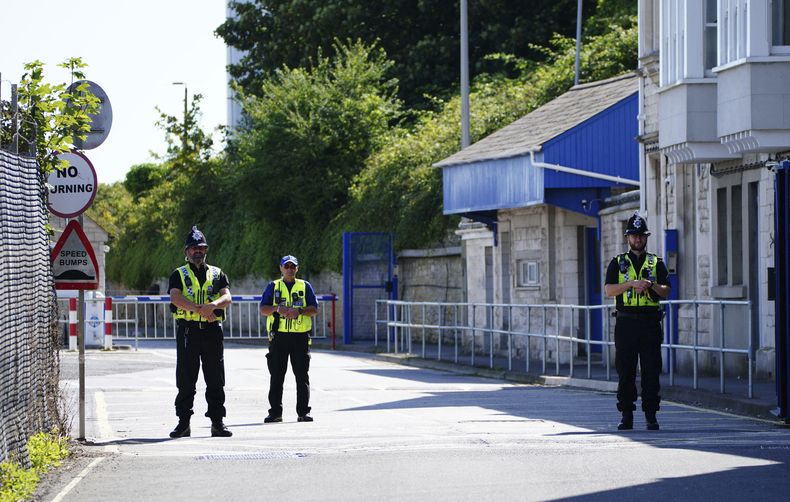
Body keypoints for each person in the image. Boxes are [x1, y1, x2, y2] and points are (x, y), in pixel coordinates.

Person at [604, 213, 671, 431]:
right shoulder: (617, 263)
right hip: (626, 324)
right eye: (634, 236)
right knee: (626, 370)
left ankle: (651, 415)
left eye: (641, 236)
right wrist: (631, 284)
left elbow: (667, 291)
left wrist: (650, 285)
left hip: (650, 323)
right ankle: (626, 415)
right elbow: (609, 290)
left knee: (651, 370)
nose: (638, 240)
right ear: (627, 238)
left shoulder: (656, 263)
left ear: (646, 237)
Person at [168, 226, 233, 438]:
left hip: (212, 332)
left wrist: (212, 305)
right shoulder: (179, 274)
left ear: (206, 250)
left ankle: (217, 423)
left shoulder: (217, 273)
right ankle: (183, 423)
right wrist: (202, 310)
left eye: (201, 248)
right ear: (186, 251)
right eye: (194, 248)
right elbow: (176, 298)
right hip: (189, 331)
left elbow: (227, 298)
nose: (198, 251)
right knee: (186, 378)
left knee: (215, 378)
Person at [259, 255, 319, 423]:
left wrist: (299, 311)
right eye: (287, 266)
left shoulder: (304, 286)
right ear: (281, 268)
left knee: (302, 375)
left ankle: (303, 412)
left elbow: (314, 309)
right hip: (279, 336)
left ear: (297, 269)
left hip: (300, 337)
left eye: (293, 267)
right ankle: (275, 412)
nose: (290, 269)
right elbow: (263, 309)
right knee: (277, 375)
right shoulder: (273, 286)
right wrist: (278, 309)